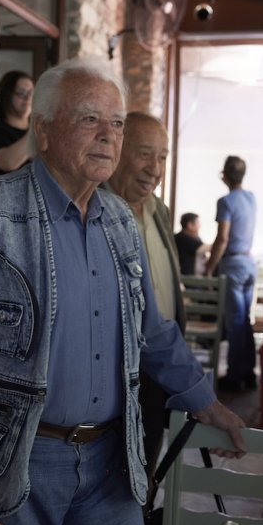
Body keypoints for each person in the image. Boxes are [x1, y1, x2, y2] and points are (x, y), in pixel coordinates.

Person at [0, 58, 246, 525]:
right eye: (90, 119)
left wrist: (210, 402)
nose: (108, 135)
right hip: (14, 462)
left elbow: (153, 332)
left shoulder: (120, 222)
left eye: (116, 123)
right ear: (43, 130)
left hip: (109, 462)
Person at [104, 111, 184, 478]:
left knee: (147, 468)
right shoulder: (96, 211)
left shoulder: (160, 212)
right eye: (144, 153)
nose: (155, 168)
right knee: (112, 474)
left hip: (159, 366)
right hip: (115, 373)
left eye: (163, 157)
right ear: (118, 151)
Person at [203, 155, 257, 392]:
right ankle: (249, 373)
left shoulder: (225, 202)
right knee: (245, 321)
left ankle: (235, 377)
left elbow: (222, 238)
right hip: (249, 262)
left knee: (234, 323)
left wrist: (209, 267)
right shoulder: (251, 199)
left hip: (233, 265)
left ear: (224, 174)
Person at [174, 212, 208, 276]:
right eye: (198, 223)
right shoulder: (183, 238)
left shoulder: (193, 238)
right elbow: (205, 248)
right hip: (188, 279)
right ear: (190, 225)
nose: (200, 225)